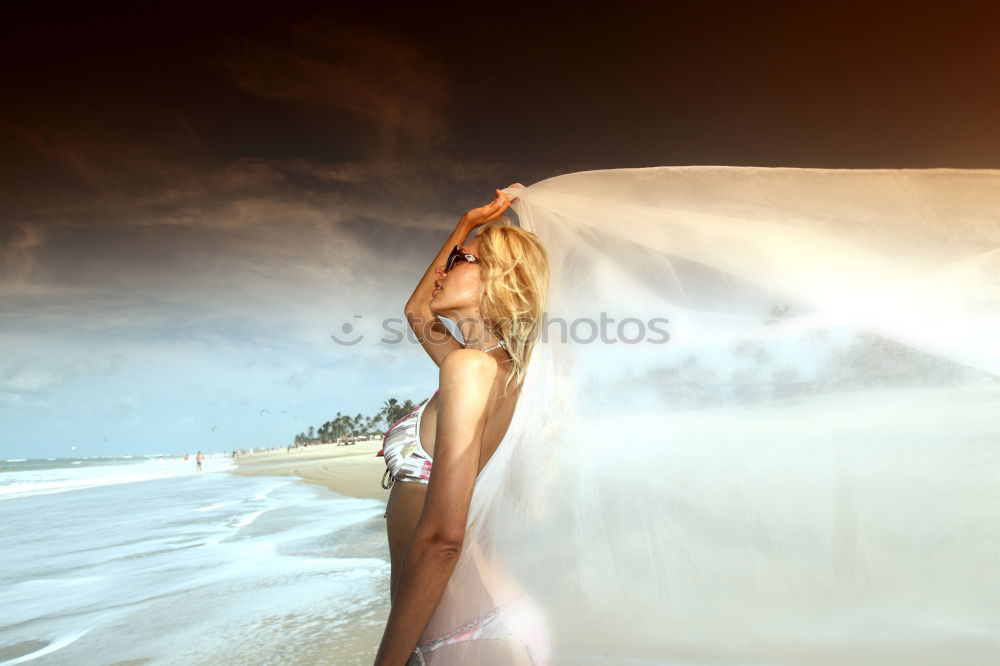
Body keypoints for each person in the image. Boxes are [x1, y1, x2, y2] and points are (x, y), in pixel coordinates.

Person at [375, 186, 551, 666]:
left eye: (461, 261)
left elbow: (441, 540)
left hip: (464, 635)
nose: (445, 270)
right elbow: (416, 312)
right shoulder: (494, 369)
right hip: (480, 622)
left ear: (498, 277)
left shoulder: (469, 370)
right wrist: (465, 227)